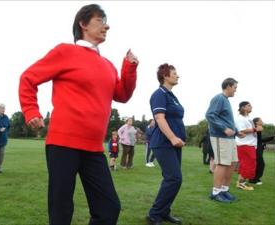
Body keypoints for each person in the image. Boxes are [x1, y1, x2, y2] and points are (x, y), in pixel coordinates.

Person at [18, 4, 139, 225]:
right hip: (63, 143)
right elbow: (28, 78)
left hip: (93, 148)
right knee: (61, 210)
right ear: (83, 24)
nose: (107, 25)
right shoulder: (65, 51)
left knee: (109, 208)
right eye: (101, 20)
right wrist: (30, 111)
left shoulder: (108, 65)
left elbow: (122, 95)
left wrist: (129, 68)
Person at [146, 63, 185, 225]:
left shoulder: (171, 95)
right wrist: (172, 137)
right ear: (165, 76)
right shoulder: (159, 94)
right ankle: (154, 214)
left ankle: (164, 211)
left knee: (171, 179)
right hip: (163, 142)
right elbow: (160, 118)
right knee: (174, 178)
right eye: (174, 73)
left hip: (174, 144)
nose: (177, 75)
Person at [206, 77, 241, 203]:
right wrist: (224, 128)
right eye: (235, 88)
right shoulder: (219, 98)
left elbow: (227, 120)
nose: (235, 91)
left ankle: (224, 190)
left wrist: (237, 132)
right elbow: (210, 115)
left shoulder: (226, 100)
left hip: (230, 138)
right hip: (220, 137)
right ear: (229, 86)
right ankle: (215, 192)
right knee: (222, 163)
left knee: (232, 163)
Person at [235, 101, 260, 191]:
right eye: (249, 105)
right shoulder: (240, 118)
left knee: (249, 164)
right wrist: (255, 129)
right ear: (243, 107)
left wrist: (256, 129)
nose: (251, 107)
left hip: (250, 144)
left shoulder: (248, 118)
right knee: (247, 164)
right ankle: (241, 184)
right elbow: (242, 130)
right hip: (244, 144)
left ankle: (242, 182)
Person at [249, 117, 275, 185]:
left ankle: (255, 178)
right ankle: (253, 179)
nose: (262, 121)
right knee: (260, 164)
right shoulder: (257, 129)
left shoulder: (258, 129)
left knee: (259, 164)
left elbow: (260, 140)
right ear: (256, 122)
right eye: (260, 120)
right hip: (256, 149)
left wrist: (271, 137)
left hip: (258, 148)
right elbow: (257, 140)